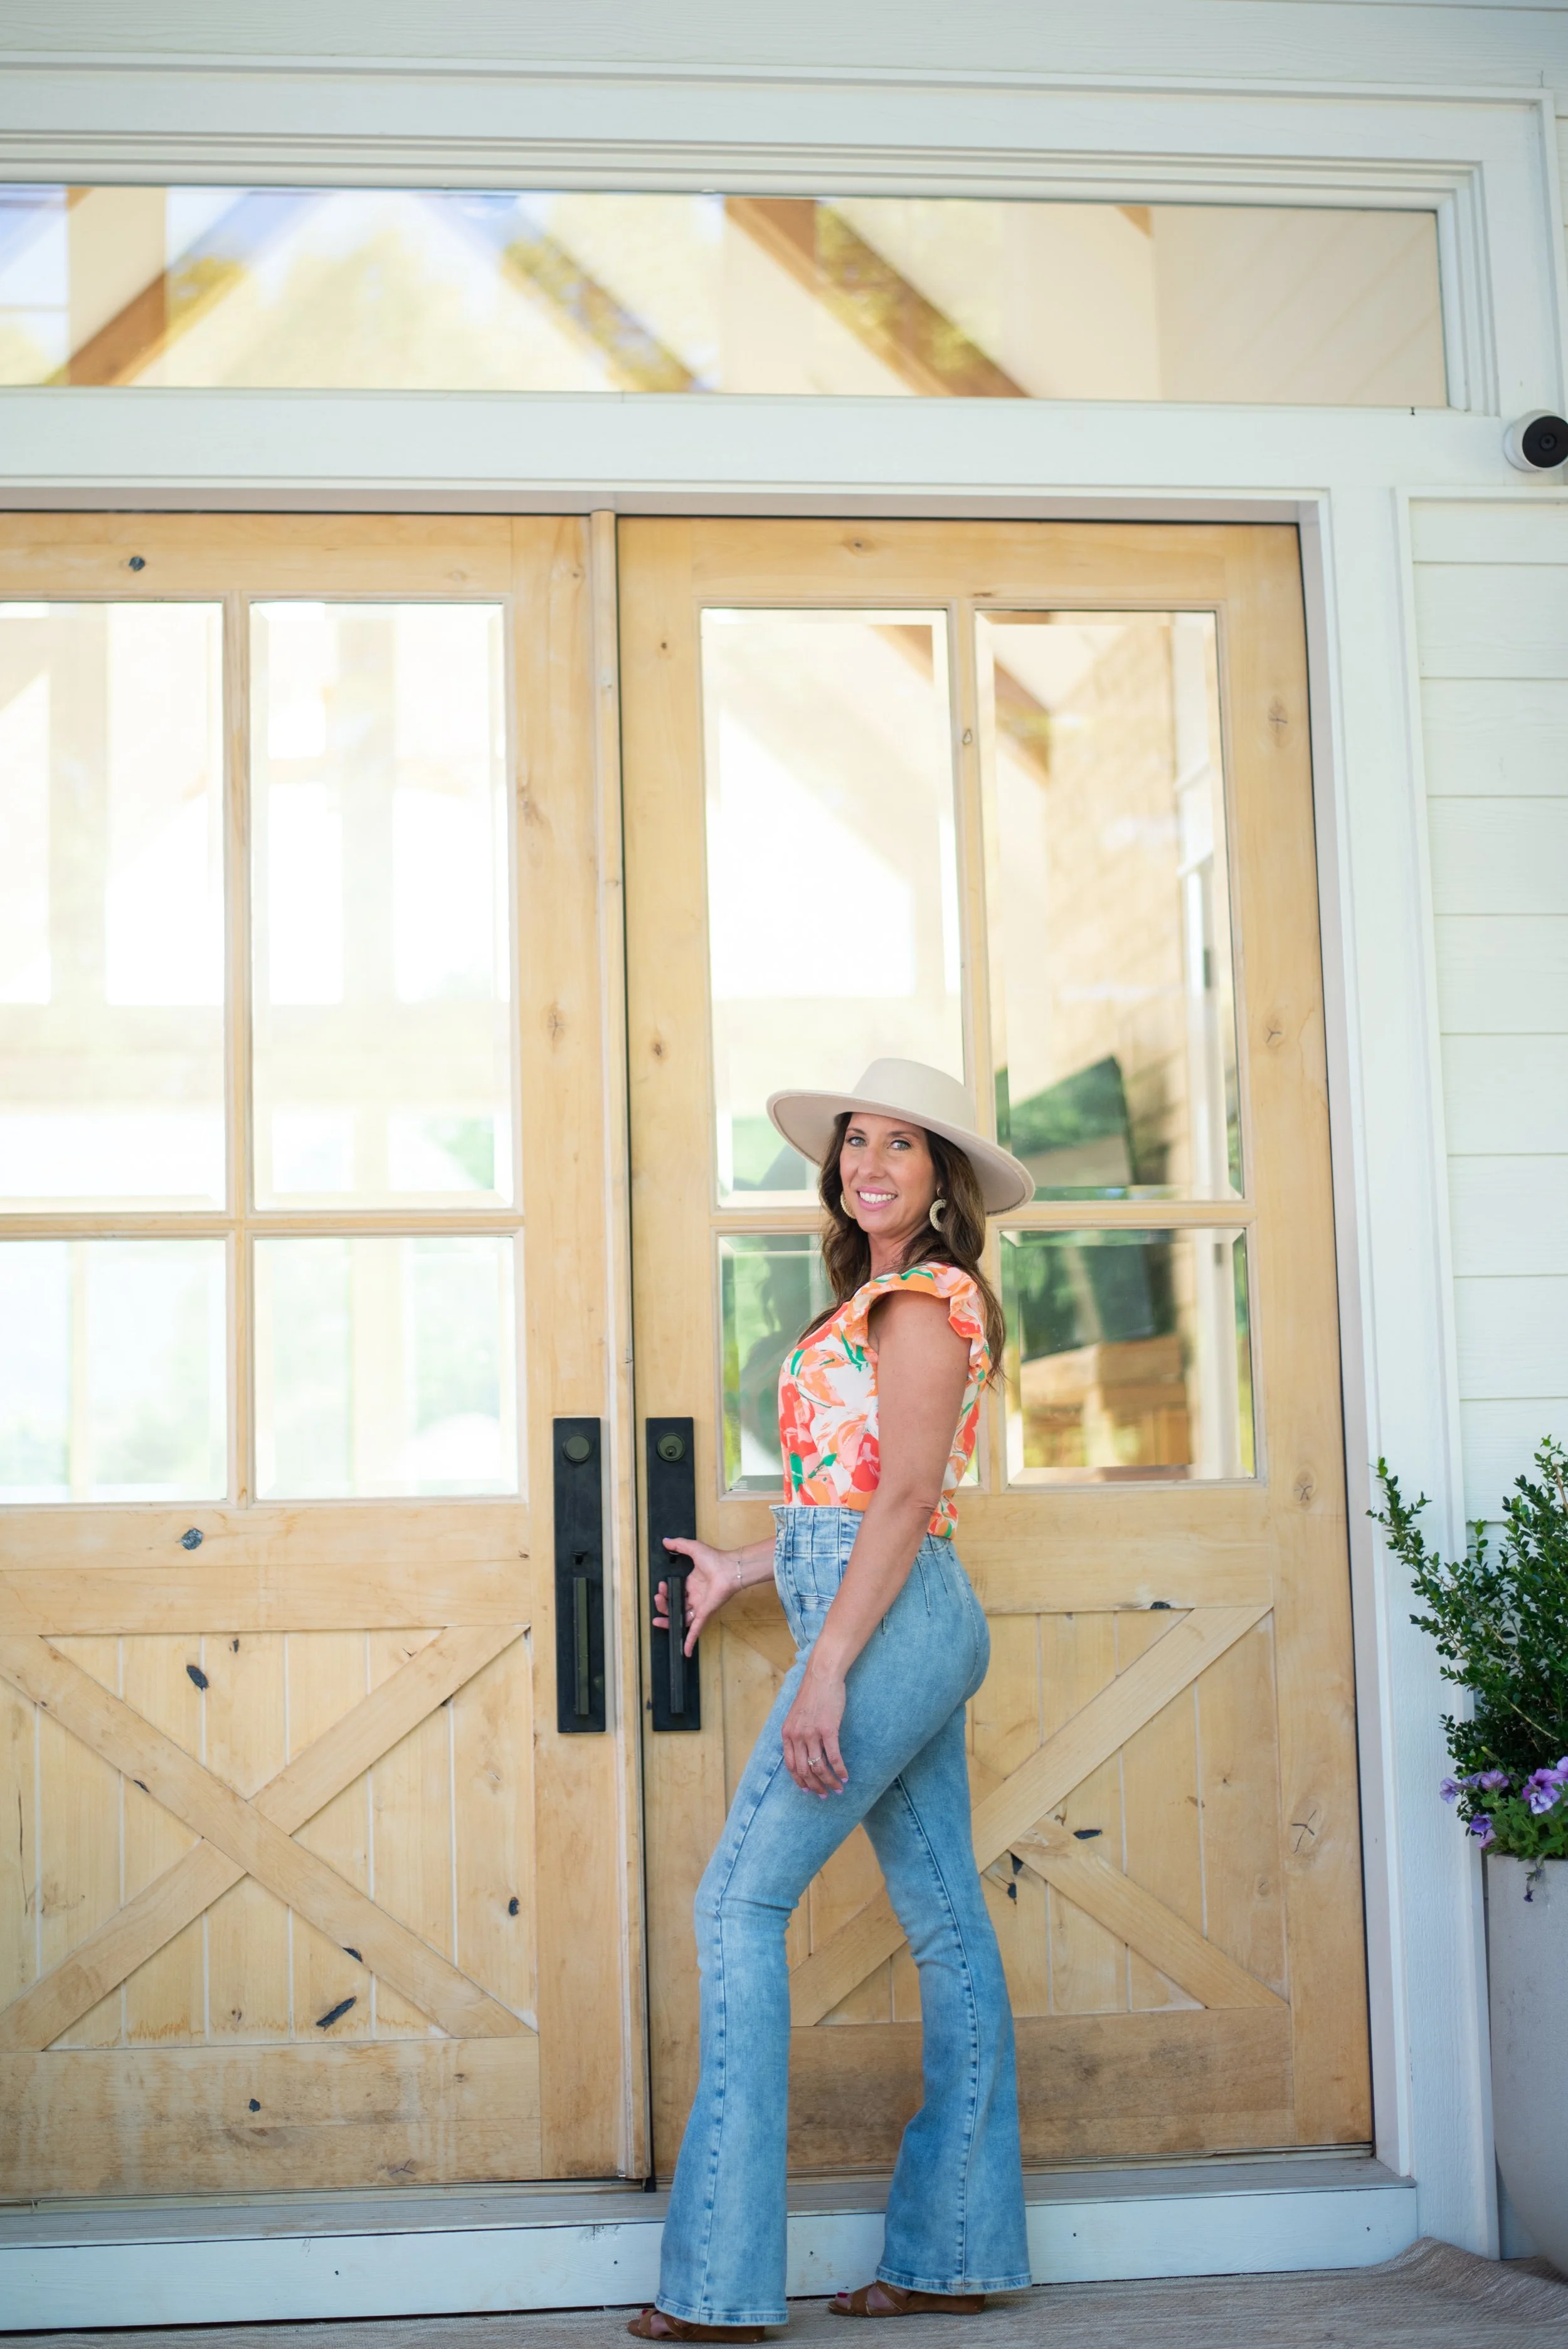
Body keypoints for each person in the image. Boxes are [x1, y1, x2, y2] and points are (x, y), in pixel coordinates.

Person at [630, 1059, 1034, 2342]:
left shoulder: (921, 1300)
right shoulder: (877, 1291)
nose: (868, 1163)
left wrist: (824, 1664)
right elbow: (847, 1500)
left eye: (899, 1146)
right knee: (944, 1921)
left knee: (734, 1902)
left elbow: (906, 1504)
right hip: (884, 1612)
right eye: (854, 1142)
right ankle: (951, 2256)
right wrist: (745, 1568)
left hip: (891, 1626)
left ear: (940, 1177)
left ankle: (720, 2287)